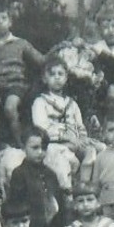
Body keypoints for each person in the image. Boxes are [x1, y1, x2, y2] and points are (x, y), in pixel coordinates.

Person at [0, 4, 44, 149]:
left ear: (10, 22)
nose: (0, 21)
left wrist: (58, 52)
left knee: (10, 107)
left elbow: (41, 60)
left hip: (15, 86)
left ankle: (20, 142)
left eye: (3, 18)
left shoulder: (20, 43)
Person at [30, 53, 91, 192]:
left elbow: (80, 126)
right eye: (52, 74)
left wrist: (82, 139)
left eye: (60, 74)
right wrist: (66, 136)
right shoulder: (40, 102)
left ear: (66, 78)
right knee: (61, 159)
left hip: (74, 143)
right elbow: (41, 129)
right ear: (45, 79)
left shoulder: (72, 103)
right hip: (54, 144)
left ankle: (84, 187)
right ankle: (67, 191)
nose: (57, 77)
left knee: (94, 151)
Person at [5, 127, 67, 227]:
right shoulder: (19, 173)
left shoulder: (50, 174)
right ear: (23, 148)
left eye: (43, 148)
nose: (40, 152)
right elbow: (16, 204)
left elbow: (59, 202)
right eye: (35, 148)